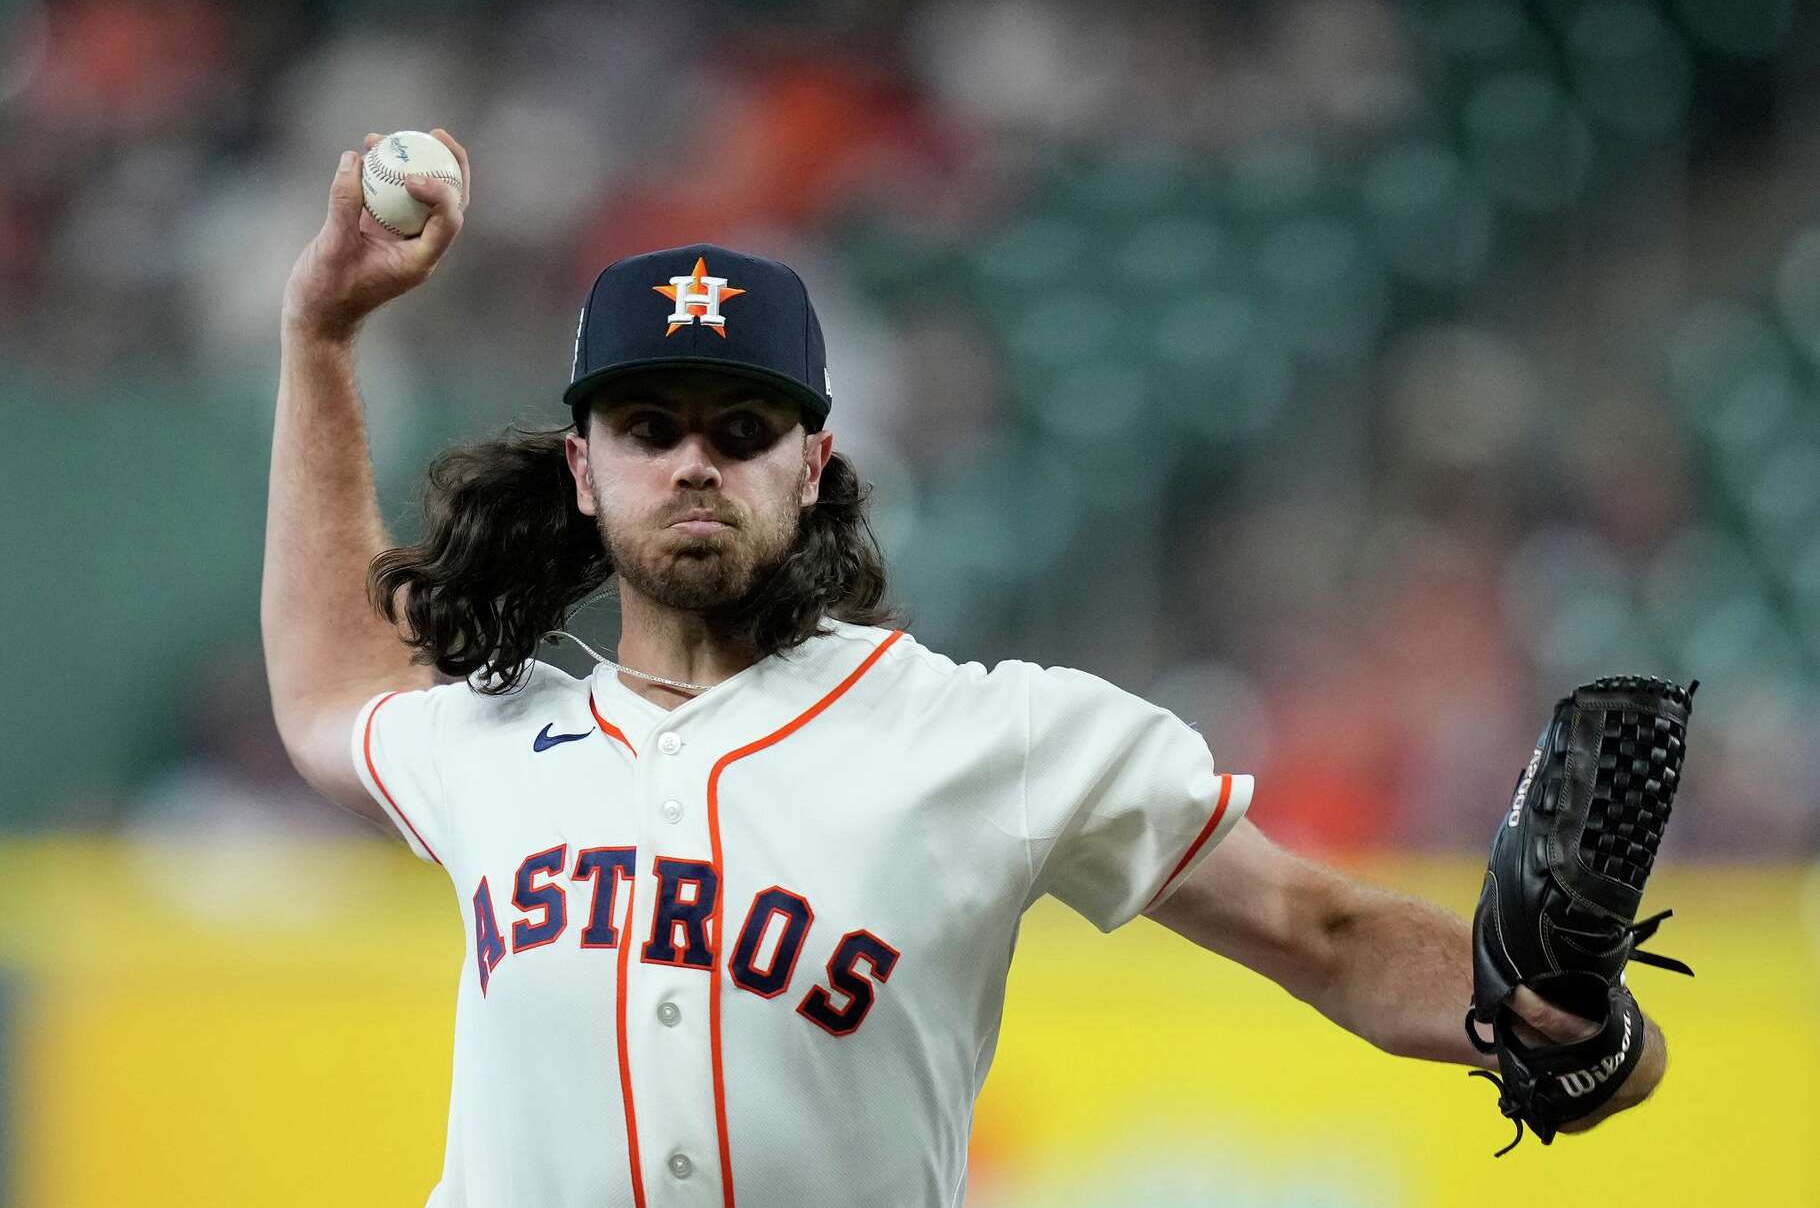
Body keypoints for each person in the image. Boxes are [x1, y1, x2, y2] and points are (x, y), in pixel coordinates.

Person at [265, 131, 1667, 1207]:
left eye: (743, 426)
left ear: (813, 467)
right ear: (585, 470)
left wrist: (1551, 1020)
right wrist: (321, 337)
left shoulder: (991, 736)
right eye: (648, 423)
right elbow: (331, 681)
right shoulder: (496, 740)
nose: (695, 457)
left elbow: (1325, 931)